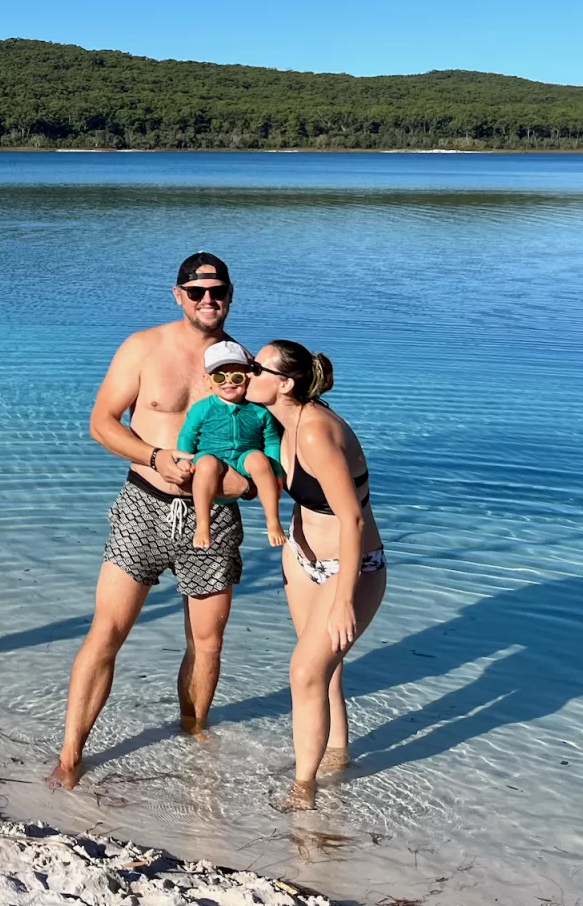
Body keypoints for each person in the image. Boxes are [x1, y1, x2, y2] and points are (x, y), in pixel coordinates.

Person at [48, 253, 248, 791]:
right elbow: (101, 424)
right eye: (197, 291)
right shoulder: (143, 348)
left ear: (230, 294)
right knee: (107, 632)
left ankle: (194, 739)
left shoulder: (241, 364)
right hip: (144, 506)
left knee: (207, 642)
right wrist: (155, 457)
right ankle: (70, 756)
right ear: (178, 295)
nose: (209, 300)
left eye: (218, 290)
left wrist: (249, 485)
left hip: (215, 518)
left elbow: (264, 447)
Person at [245, 339, 387, 810]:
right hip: (304, 561)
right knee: (324, 673)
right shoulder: (286, 423)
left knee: (305, 672)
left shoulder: (314, 432)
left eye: (255, 367)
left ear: (284, 384)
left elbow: (353, 519)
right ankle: (337, 758)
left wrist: (345, 597)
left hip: (352, 567)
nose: (246, 372)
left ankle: (303, 790)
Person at [178, 341, 286, 549]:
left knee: (259, 458)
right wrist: (184, 459)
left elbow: (271, 440)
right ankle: (203, 524)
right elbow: (187, 436)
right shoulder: (202, 408)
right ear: (208, 381)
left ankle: (273, 520)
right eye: (220, 377)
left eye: (236, 377)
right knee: (207, 463)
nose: (229, 383)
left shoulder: (259, 411)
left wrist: (277, 471)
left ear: (247, 379)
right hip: (210, 456)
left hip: (243, 458)